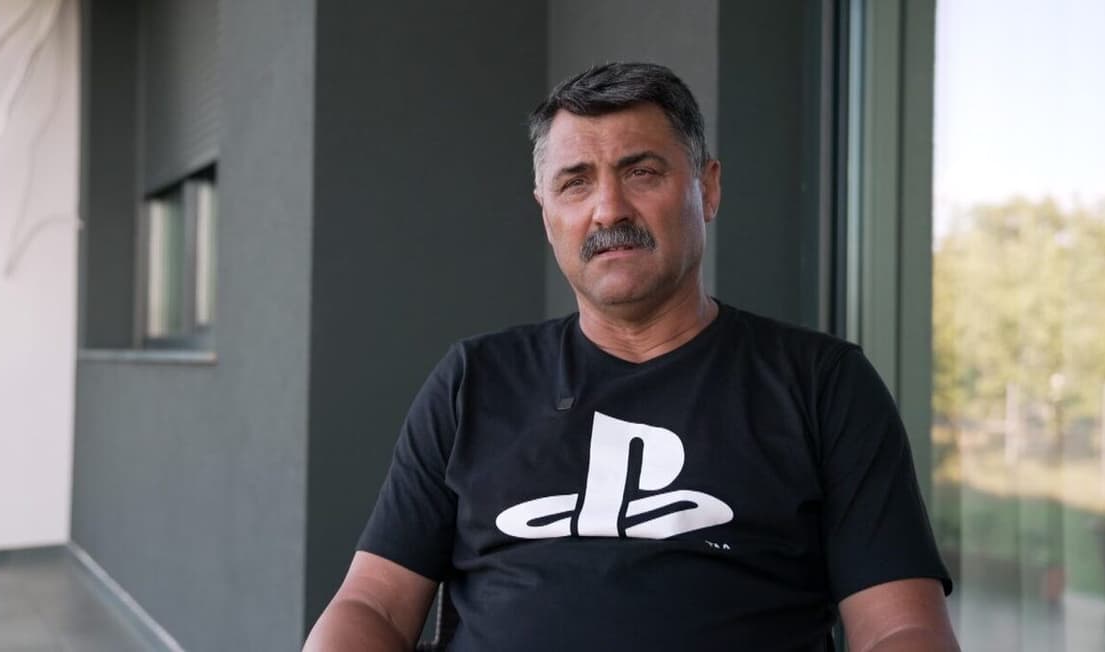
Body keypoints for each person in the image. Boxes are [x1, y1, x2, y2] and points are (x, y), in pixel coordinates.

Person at [305, 62, 957, 651]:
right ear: (546, 214)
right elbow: (372, 605)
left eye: (641, 172)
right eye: (575, 183)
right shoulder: (473, 382)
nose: (608, 209)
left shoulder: (822, 385)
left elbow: (899, 628)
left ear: (707, 189)